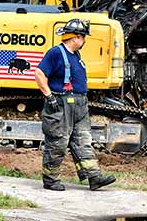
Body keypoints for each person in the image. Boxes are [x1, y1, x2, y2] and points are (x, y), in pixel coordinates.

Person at [33, 18, 115, 191]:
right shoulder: (55, 53)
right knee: (58, 142)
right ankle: (50, 179)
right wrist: (49, 96)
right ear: (76, 37)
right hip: (61, 104)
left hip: (79, 105)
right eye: (83, 37)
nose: (84, 40)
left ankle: (94, 177)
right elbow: (39, 74)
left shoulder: (76, 55)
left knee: (83, 140)